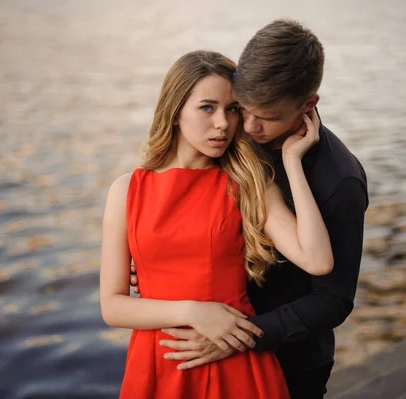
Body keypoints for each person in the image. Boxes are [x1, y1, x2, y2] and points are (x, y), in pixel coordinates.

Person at [147, 20, 369, 399]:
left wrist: (241, 336)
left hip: (289, 360)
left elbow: (333, 300)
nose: (247, 127)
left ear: (309, 104)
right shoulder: (232, 139)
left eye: (266, 116)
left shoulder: (340, 181)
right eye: (242, 108)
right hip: (204, 346)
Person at [99, 50, 333, 398]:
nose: (223, 123)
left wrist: (292, 162)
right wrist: (192, 311)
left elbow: (318, 260)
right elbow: (113, 306)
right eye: (207, 108)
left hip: (234, 362)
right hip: (159, 364)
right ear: (176, 111)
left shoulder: (246, 183)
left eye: (232, 109)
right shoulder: (126, 191)